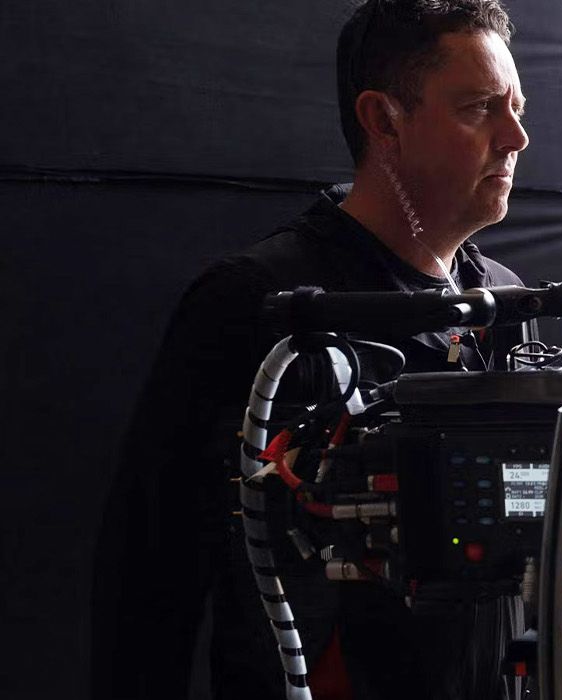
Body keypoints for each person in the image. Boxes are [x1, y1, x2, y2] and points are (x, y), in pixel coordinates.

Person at [91, 1, 531, 697]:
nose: (516, 137)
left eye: (517, 106)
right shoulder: (257, 299)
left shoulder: (505, 301)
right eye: (480, 108)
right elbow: (152, 558)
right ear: (384, 120)